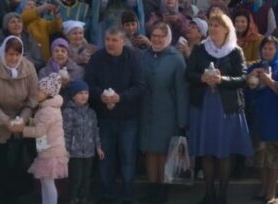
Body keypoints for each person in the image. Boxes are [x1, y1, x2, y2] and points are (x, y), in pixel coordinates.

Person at [186, 11, 254, 204]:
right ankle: (209, 193)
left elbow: (242, 78)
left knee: (224, 151)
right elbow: (188, 73)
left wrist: (222, 79)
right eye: (212, 25)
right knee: (207, 150)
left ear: (226, 30)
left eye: (217, 26)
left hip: (227, 107)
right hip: (204, 105)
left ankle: (222, 195)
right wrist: (202, 78)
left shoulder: (235, 51)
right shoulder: (200, 49)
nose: (213, 29)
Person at [84, 27, 145, 204]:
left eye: (114, 40)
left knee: (128, 157)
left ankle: (127, 195)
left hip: (128, 117)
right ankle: (107, 195)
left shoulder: (133, 58)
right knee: (106, 157)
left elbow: (140, 86)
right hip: (104, 117)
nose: (110, 43)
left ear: (123, 41)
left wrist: (121, 97)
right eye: (107, 39)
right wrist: (100, 95)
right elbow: (89, 83)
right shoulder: (97, 58)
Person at [0, 35, 39, 203]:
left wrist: (22, 119)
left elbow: (33, 98)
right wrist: (5, 121)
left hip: (18, 123)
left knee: (14, 168)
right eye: (9, 54)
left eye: (17, 55)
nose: (13, 58)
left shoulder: (29, 67)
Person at [139, 23, 189, 203]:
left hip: (167, 113)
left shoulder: (176, 58)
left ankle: (162, 192)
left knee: (163, 152)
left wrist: (182, 120)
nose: (157, 39)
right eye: (154, 36)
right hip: (146, 112)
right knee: (150, 152)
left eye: (161, 36)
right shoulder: (143, 56)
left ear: (167, 38)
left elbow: (182, 91)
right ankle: (153, 189)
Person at [10, 73, 68, 204]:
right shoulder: (46, 108)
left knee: (48, 182)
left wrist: (22, 129)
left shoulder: (48, 111)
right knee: (45, 181)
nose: (36, 93)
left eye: (39, 90)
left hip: (50, 151)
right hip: (47, 149)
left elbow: (40, 131)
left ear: (48, 93)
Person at [246, 36, 278, 204]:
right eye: (265, 48)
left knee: (274, 158)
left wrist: (268, 81)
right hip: (259, 117)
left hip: (277, 118)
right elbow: (247, 92)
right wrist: (251, 78)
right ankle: (264, 188)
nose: (267, 51)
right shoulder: (255, 67)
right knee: (261, 158)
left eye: (271, 48)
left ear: (277, 50)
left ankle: (272, 191)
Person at [62, 80, 104, 204]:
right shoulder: (68, 112)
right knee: (76, 178)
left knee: (86, 177)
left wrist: (98, 147)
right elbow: (66, 132)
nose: (84, 96)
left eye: (86, 93)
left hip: (89, 152)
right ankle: (73, 197)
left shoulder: (91, 112)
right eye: (80, 93)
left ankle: (83, 197)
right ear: (73, 95)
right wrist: (66, 149)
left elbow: (95, 130)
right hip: (74, 153)